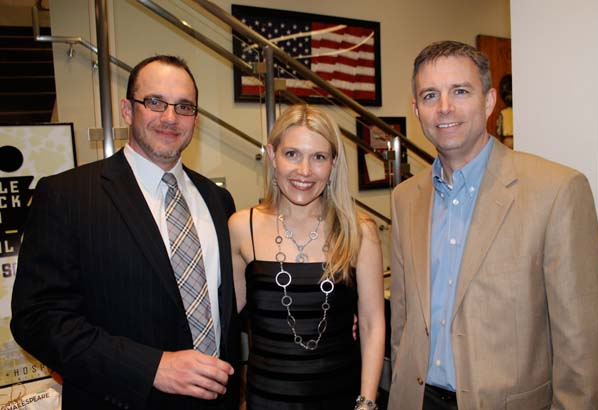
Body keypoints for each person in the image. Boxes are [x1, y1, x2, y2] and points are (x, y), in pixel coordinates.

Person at [388, 40, 598, 410]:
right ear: (416, 109)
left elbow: (584, 345)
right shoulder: (405, 198)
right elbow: (403, 318)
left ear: (489, 100)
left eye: (460, 91)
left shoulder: (556, 191)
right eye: (430, 95)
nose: (444, 107)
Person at [11, 55, 240, 409]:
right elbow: (37, 319)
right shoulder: (67, 195)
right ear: (127, 110)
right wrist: (151, 368)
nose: (170, 117)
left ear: (195, 118)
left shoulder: (218, 199)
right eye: (155, 102)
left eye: (184, 106)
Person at [229, 104, 385, 409]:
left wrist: (367, 403)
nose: (304, 170)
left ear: (333, 163)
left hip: (341, 398)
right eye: (292, 154)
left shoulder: (359, 231)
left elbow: (372, 323)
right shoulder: (241, 227)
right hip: (267, 401)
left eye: (319, 157)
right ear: (272, 155)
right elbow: (223, 320)